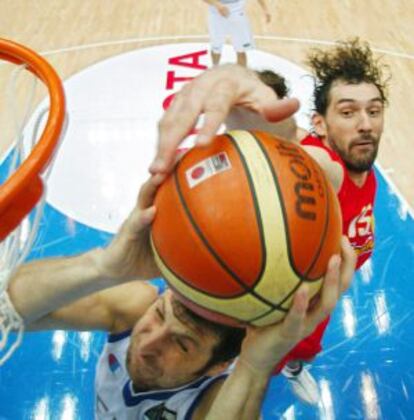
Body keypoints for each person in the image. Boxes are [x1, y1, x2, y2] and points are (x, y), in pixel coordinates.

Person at [1, 64, 357, 418]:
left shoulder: (211, 397)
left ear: (216, 368)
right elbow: (6, 311)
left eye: (183, 345)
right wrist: (105, 267)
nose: (149, 342)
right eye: (159, 315)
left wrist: (254, 366)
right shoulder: (135, 306)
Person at [203, 0, 271, 67]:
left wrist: (265, 10)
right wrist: (218, 5)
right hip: (216, 12)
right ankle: (215, 69)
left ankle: (241, 74)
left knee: (241, 49)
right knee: (216, 47)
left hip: (236, 11)